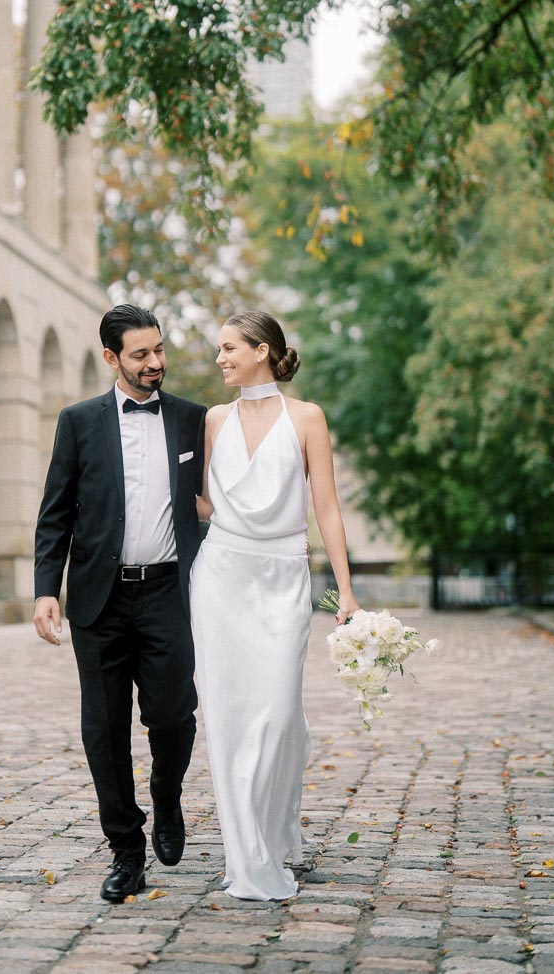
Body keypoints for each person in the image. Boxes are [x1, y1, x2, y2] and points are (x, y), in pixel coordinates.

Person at [33, 304, 206, 903]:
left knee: (174, 716)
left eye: (159, 350)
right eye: (140, 354)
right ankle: (126, 850)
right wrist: (44, 592)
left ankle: (167, 793)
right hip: (98, 602)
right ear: (112, 358)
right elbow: (55, 514)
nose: (155, 362)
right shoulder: (78, 422)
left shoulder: (192, 420)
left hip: (167, 594)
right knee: (104, 730)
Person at [190, 310, 359, 902]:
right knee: (231, 718)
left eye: (229, 348)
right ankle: (249, 854)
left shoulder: (307, 418)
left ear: (262, 350)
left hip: (284, 576)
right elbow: (204, 504)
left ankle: (278, 831)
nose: (220, 359)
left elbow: (328, 509)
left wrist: (346, 591)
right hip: (220, 577)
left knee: (282, 714)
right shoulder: (213, 420)